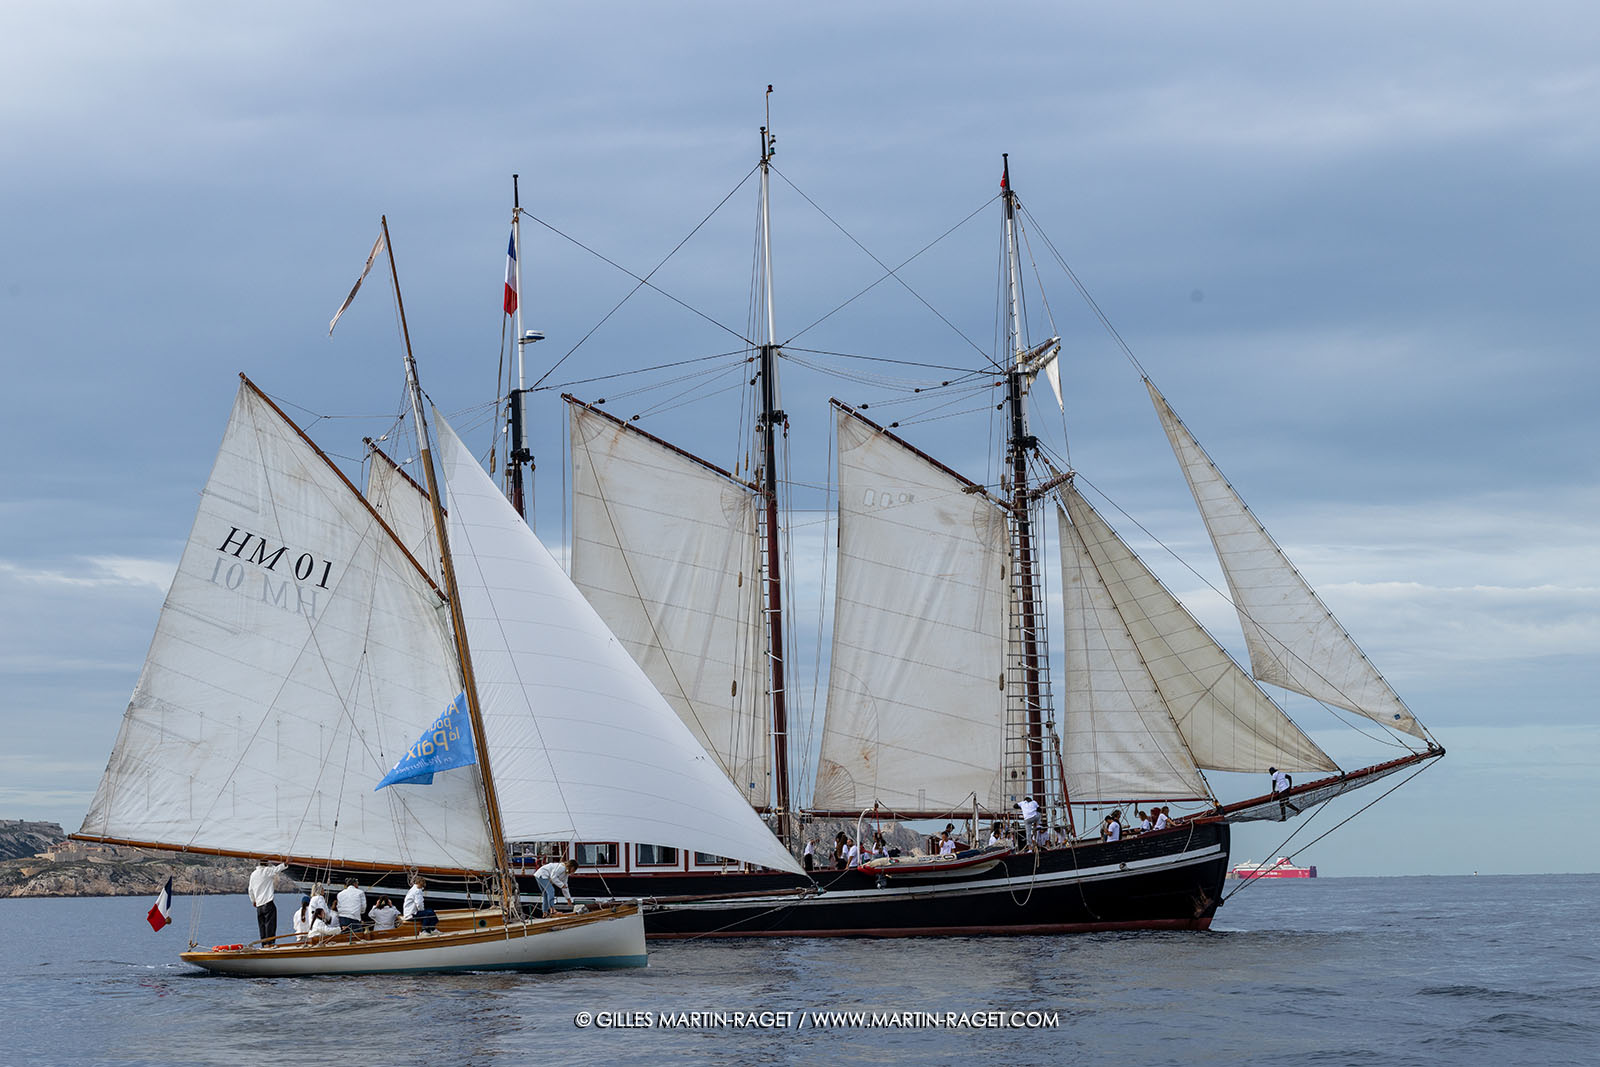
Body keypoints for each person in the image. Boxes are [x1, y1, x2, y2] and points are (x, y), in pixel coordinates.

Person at [248, 857, 287, 945]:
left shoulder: (253, 874)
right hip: (268, 904)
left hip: (259, 906)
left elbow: (250, 890)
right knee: (270, 927)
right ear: (267, 863)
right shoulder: (267, 871)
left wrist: (253, 900)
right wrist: (286, 863)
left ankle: (264, 946)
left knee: (262, 928)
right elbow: (277, 869)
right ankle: (270, 945)